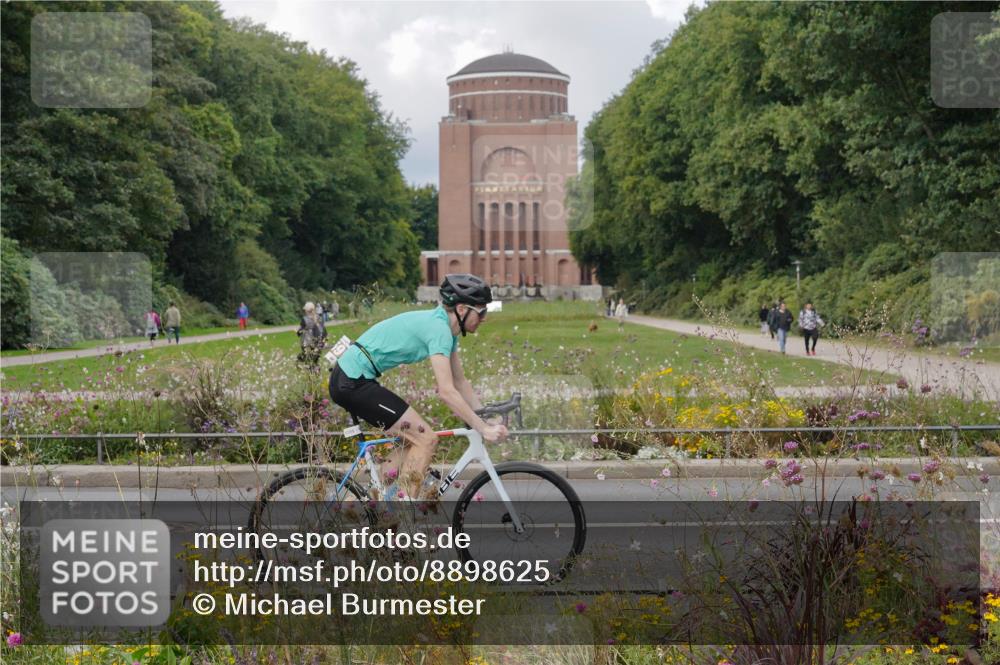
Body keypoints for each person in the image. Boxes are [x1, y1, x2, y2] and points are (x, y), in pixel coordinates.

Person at [328, 274, 507, 501]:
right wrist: (482, 428)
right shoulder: (439, 329)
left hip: (354, 378)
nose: (484, 318)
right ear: (462, 309)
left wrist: (485, 416)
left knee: (411, 437)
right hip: (352, 381)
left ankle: (371, 501)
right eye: (481, 312)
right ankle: (404, 517)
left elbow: (460, 382)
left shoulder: (447, 331)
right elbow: (446, 391)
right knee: (426, 438)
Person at [297, 302, 327, 366]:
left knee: (308, 359)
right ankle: (316, 372)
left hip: (308, 342)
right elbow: (323, 329)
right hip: (319, 341)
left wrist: (298, 332)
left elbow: (300, 331)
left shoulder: (304, 319)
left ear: (306, 310)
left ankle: (310, 372)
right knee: (315, 360)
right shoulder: (320, 318)